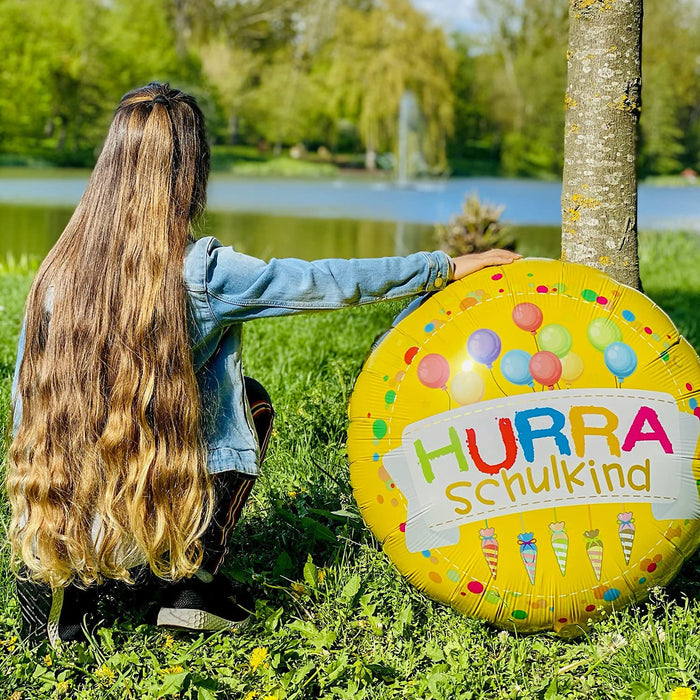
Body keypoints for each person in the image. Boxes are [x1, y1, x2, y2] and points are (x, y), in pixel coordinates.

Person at [6, 82, 521, 647]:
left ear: (108, 166)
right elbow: (327, 281)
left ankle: (58, 593)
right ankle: (190, 585)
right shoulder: (202, 271)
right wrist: (443, 265)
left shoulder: (56, 270)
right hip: (154, 499)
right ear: (189, 173)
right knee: (250, 404)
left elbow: (25, 400)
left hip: (61, 509)